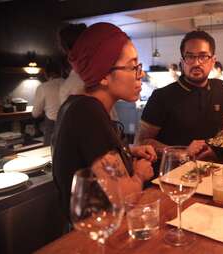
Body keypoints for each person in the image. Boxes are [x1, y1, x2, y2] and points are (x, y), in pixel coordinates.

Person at [52, 22, 156, 218]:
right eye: (133, 66)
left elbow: (92, 158)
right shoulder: (87, 112)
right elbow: (124, 198)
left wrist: (129, 151)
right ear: (103, 76)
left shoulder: (77, 105)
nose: (140, 74)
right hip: (92, 237)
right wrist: (140, 174)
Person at [136, 30, 223, 158]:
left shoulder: (220, 88)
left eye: (203, 56)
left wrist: (215, 146)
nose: (196, 63)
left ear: (213, 61)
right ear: (182, 62)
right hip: (172, 172)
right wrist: (181, 152)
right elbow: (141, 142)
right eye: (190, 57)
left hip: (212, 168)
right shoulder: (161, 96)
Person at [32, 61, 64, 145]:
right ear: (61, 72)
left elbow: (35, 113)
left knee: (48, 152)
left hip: (52, 127)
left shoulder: (43, 87)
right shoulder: (68, 84)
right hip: (70, 126)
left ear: (46, 74)